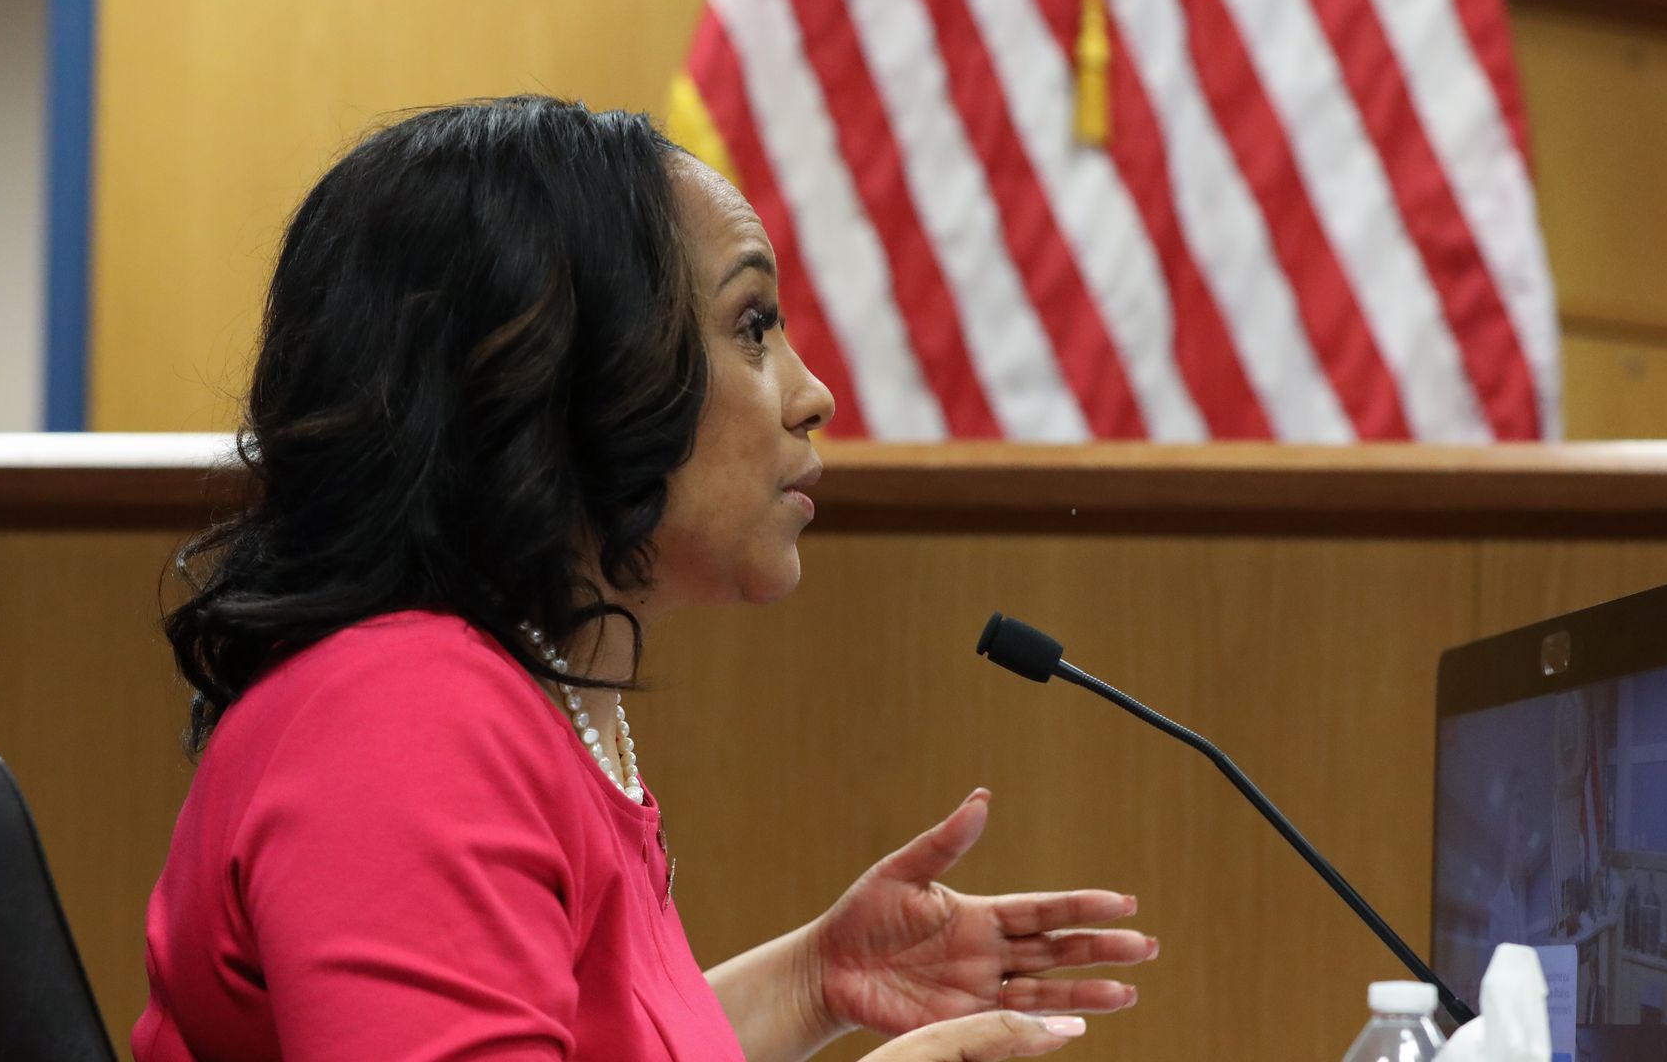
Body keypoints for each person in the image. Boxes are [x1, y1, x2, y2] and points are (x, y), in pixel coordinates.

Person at [134, 96, 1157, 1061]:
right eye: (752, 326)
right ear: (561, 373)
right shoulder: (401, 723)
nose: (813, 395)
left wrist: (812, 982)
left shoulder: (515, 693)